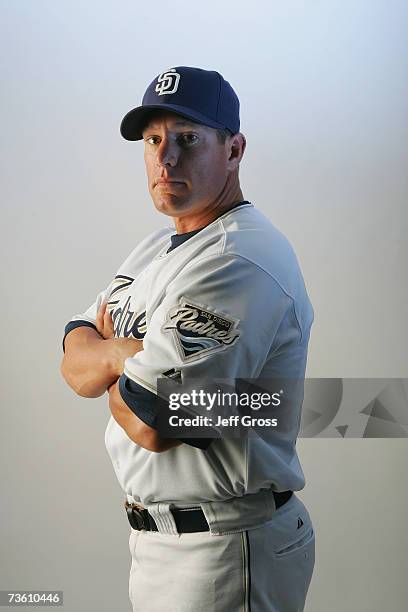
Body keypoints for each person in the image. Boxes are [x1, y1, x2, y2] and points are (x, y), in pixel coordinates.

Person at [60, 66, 316, 612]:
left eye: (187, 139)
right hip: (159, 545)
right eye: (154, 140)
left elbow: (157, 421)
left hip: (225, 547)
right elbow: (73, 360)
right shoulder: (156, 247)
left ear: (234, 149)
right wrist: (124, 356)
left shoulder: (238, 257)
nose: (165, 157)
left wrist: (112, 360)